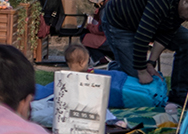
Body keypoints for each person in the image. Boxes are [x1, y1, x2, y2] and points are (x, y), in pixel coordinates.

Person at [97, 0, 188, 112]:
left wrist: (150, 63)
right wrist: (141, 70)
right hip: (119, 23)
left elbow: (167, 33)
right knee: (135, 74)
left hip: (143, 21)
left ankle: (180, 96)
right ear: (187, 2)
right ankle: (115, 69)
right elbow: (143, 36)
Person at [30, 42, 168, 115]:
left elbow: (48, 92)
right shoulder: (77, 79)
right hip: (120, 87)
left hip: (119, 84)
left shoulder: (66, 80)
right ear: (82, 62)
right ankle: (154, 91)